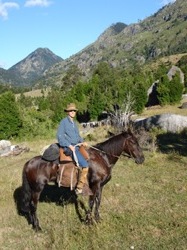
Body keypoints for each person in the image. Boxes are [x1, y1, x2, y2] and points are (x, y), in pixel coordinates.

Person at [57, 103, 89, 195]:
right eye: (71, 110)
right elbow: (59, 136)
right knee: (85, 164)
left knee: (89, 156)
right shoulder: (64, 122)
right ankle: (79, 187)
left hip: (77, 145)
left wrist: (83, 141)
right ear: (67, 112)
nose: (73, 112)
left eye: (74, 110)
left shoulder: (74, 123)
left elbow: (78, 136)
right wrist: (68, 145)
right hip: (70, 147)